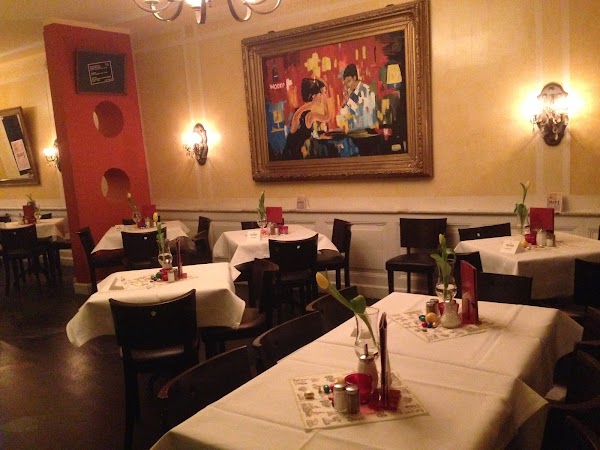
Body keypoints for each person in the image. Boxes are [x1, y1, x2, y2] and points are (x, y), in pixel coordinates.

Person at [283, 78, 331, 160]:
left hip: (291, 149)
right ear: (314, 96)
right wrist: (325, 100)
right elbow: (327, 117)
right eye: (322, 94)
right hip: (297, 152)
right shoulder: (310, 114)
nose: (322, 98)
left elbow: (294, 132)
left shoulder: (301, 110)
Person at [338, 63, 377, 130]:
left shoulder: (366, 91)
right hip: (353, 131)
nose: (347, 85)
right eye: (345, 83)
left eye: (349, 81)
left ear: (354, 78)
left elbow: (365, 114)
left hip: (366, 131)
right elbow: (344, 114)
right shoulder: (351, 93)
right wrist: (344, 103)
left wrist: (349, 101)